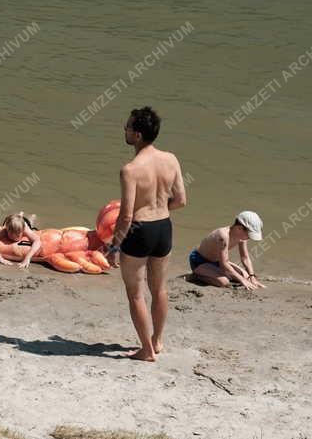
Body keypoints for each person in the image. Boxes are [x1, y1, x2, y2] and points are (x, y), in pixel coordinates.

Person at [107, 106, 187, 362]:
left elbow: (127, 215)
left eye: (128, 127)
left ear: (138, 135)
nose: (125, 130)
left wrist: (114, 246)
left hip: (140, 231)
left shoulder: (130, 170)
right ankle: (157, 341)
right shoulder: (171, 159)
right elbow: (182, 200)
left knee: (136, 294)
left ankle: (146, 350)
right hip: (164, 227)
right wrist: (160, 208)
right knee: (159, 288)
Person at [189, 212, 266, 289]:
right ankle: (197, 275)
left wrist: (252, 276)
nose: (249, 238)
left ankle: (210, 272)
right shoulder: (223, 235)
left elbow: (245, 258)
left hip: (217, 261)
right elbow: (224, 264)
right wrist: (242, 280)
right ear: (239, 228)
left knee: (246, 277)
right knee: (224, 282)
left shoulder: (242, 237)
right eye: (249, 235)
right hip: (199, 261)